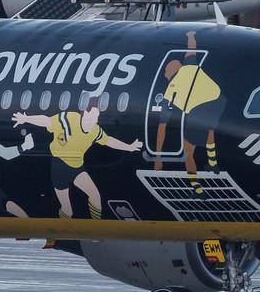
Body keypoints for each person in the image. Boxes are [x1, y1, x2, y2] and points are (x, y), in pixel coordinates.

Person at [12, 98, 141, 218]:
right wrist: (26, 118)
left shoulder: (95, 130)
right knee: (68, 210)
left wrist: (129, 147)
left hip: (77, 167)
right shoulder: (69, 119)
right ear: (85, 113)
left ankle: (94, 229)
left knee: (95, 196)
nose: (95, 120)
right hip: (59, 167)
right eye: (93, 116)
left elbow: (109, 141)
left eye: (97, 117)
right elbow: (47, 121)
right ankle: (62, 231)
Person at [151, 31, 221, 176]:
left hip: (198, 109)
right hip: (218, 100)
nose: (165, 73)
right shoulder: (190, 67)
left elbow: (162, 128)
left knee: (188, 151)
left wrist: (158, 156)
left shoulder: (169, 93)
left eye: (166, 71)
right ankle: (213, 163)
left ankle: (196, 188)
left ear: (169, 73)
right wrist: (191, 36)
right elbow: (191, 50)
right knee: (210, 130)